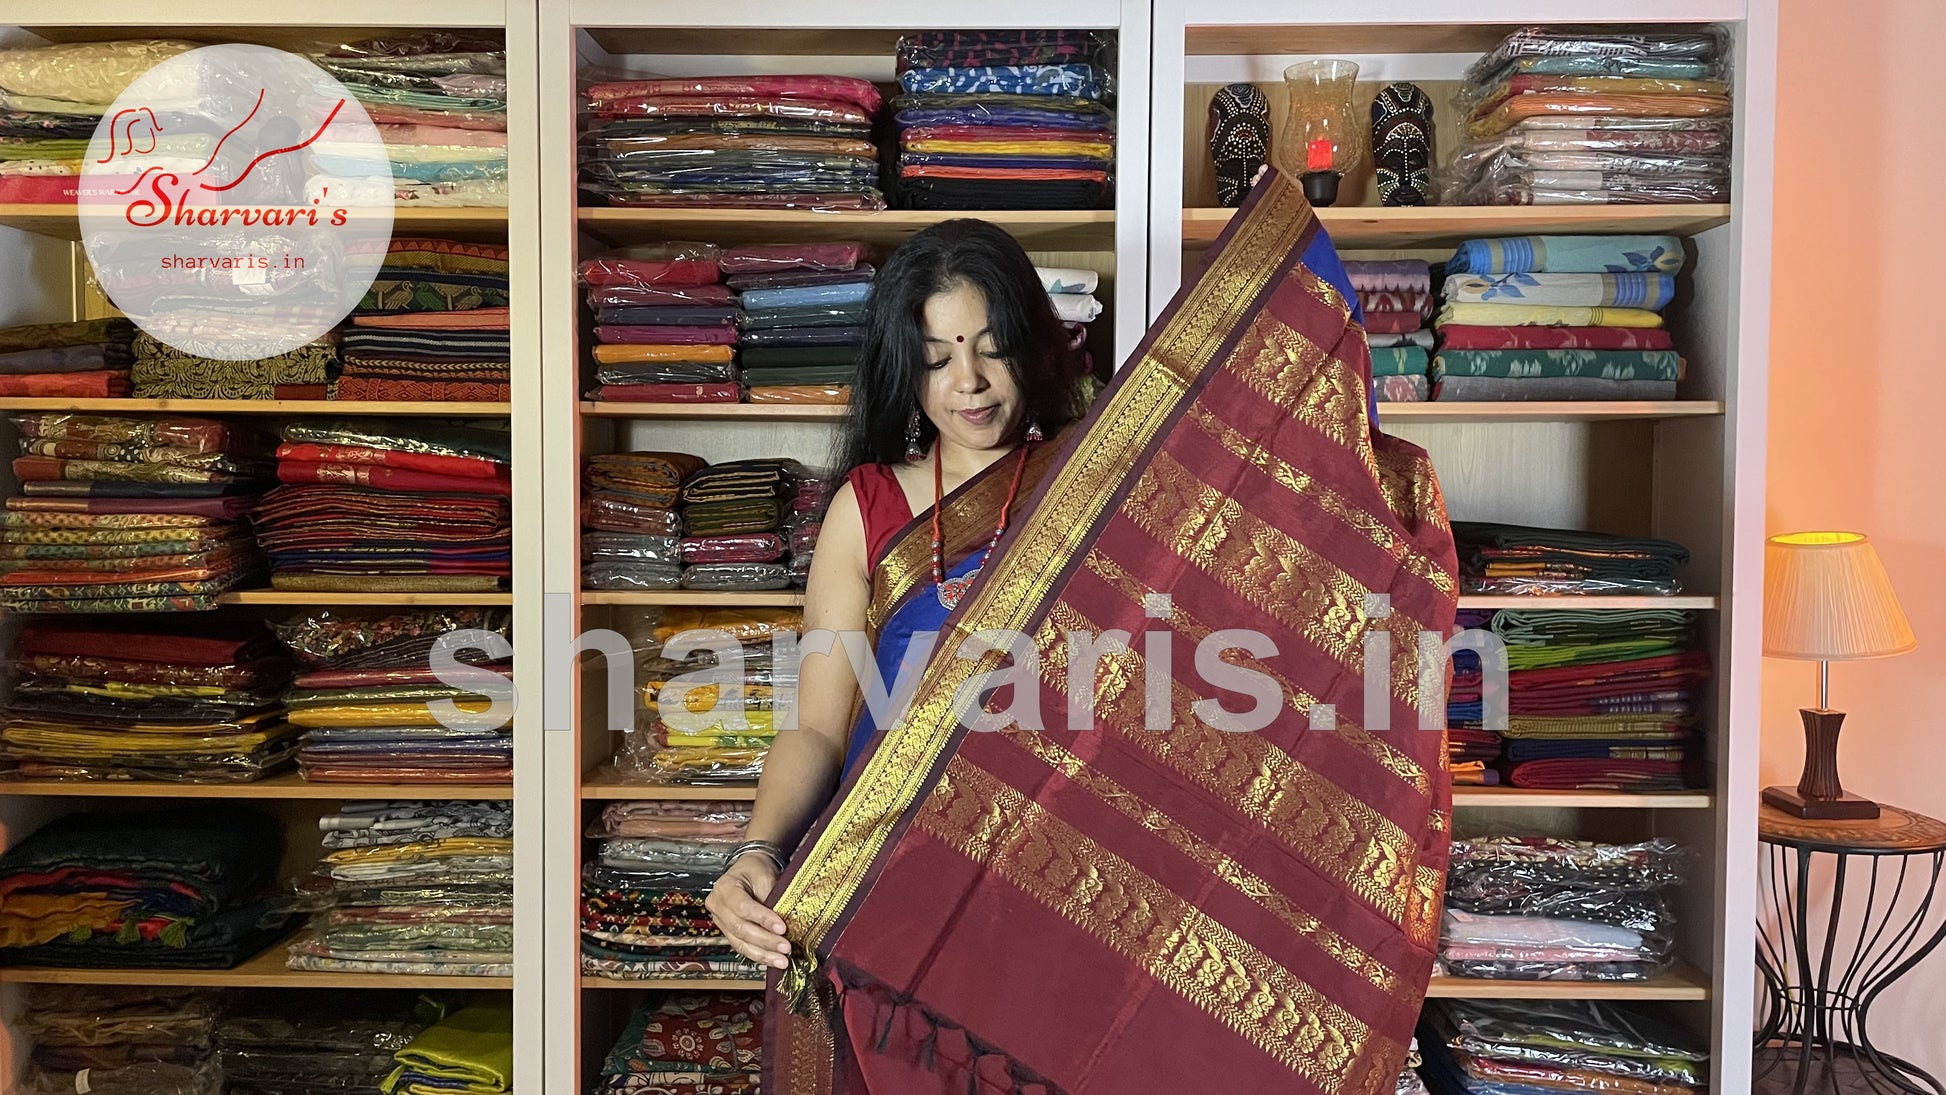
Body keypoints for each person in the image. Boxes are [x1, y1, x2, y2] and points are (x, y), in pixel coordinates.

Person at [705, 219, 1086, 972]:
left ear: (1033, 344)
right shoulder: (869, 506)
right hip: (895, 885)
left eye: (990, 346)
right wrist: (755, 849)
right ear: (905, 371)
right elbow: (818, 725)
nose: (967, 381)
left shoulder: (1094, 481)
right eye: (936, 357)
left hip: (1069, 883)